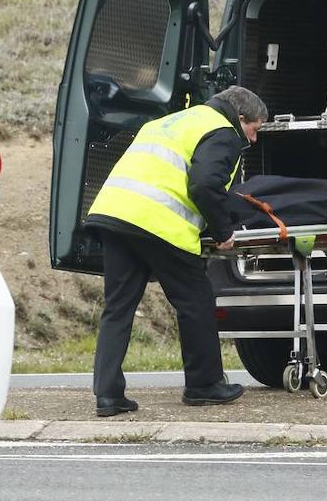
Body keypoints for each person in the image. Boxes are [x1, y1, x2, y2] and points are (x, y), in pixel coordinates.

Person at [86, 86, 267, 417]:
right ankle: (204, 385)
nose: (253, 140)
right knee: (195, 301)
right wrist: (224, 231)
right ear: (241, 118)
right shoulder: (223, 131)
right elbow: (204, 184)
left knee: (117, 309)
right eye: (255, 129)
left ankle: (108, 395)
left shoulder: (170, 121)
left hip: (113, 214)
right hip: (157, 222)